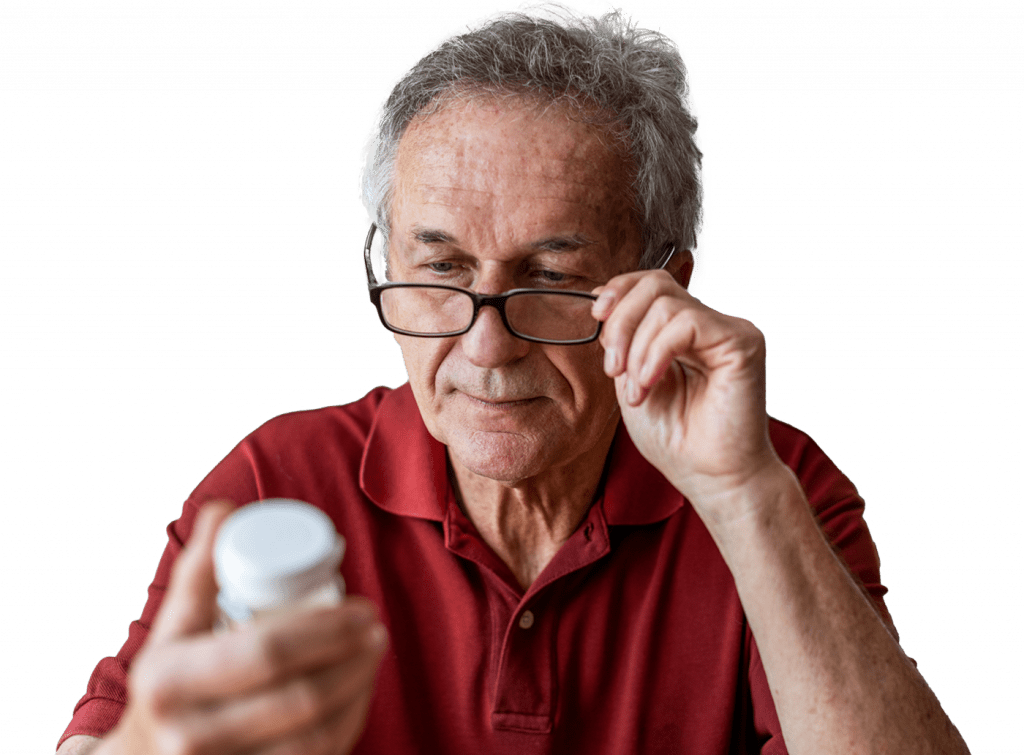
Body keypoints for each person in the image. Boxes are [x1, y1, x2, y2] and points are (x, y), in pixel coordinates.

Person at [57, 2, 970, 753]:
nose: (487, 349)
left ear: (669, 287)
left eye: (554, 280)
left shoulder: (780, 490)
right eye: (443, 270)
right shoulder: (279, 485)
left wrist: (743, 496)